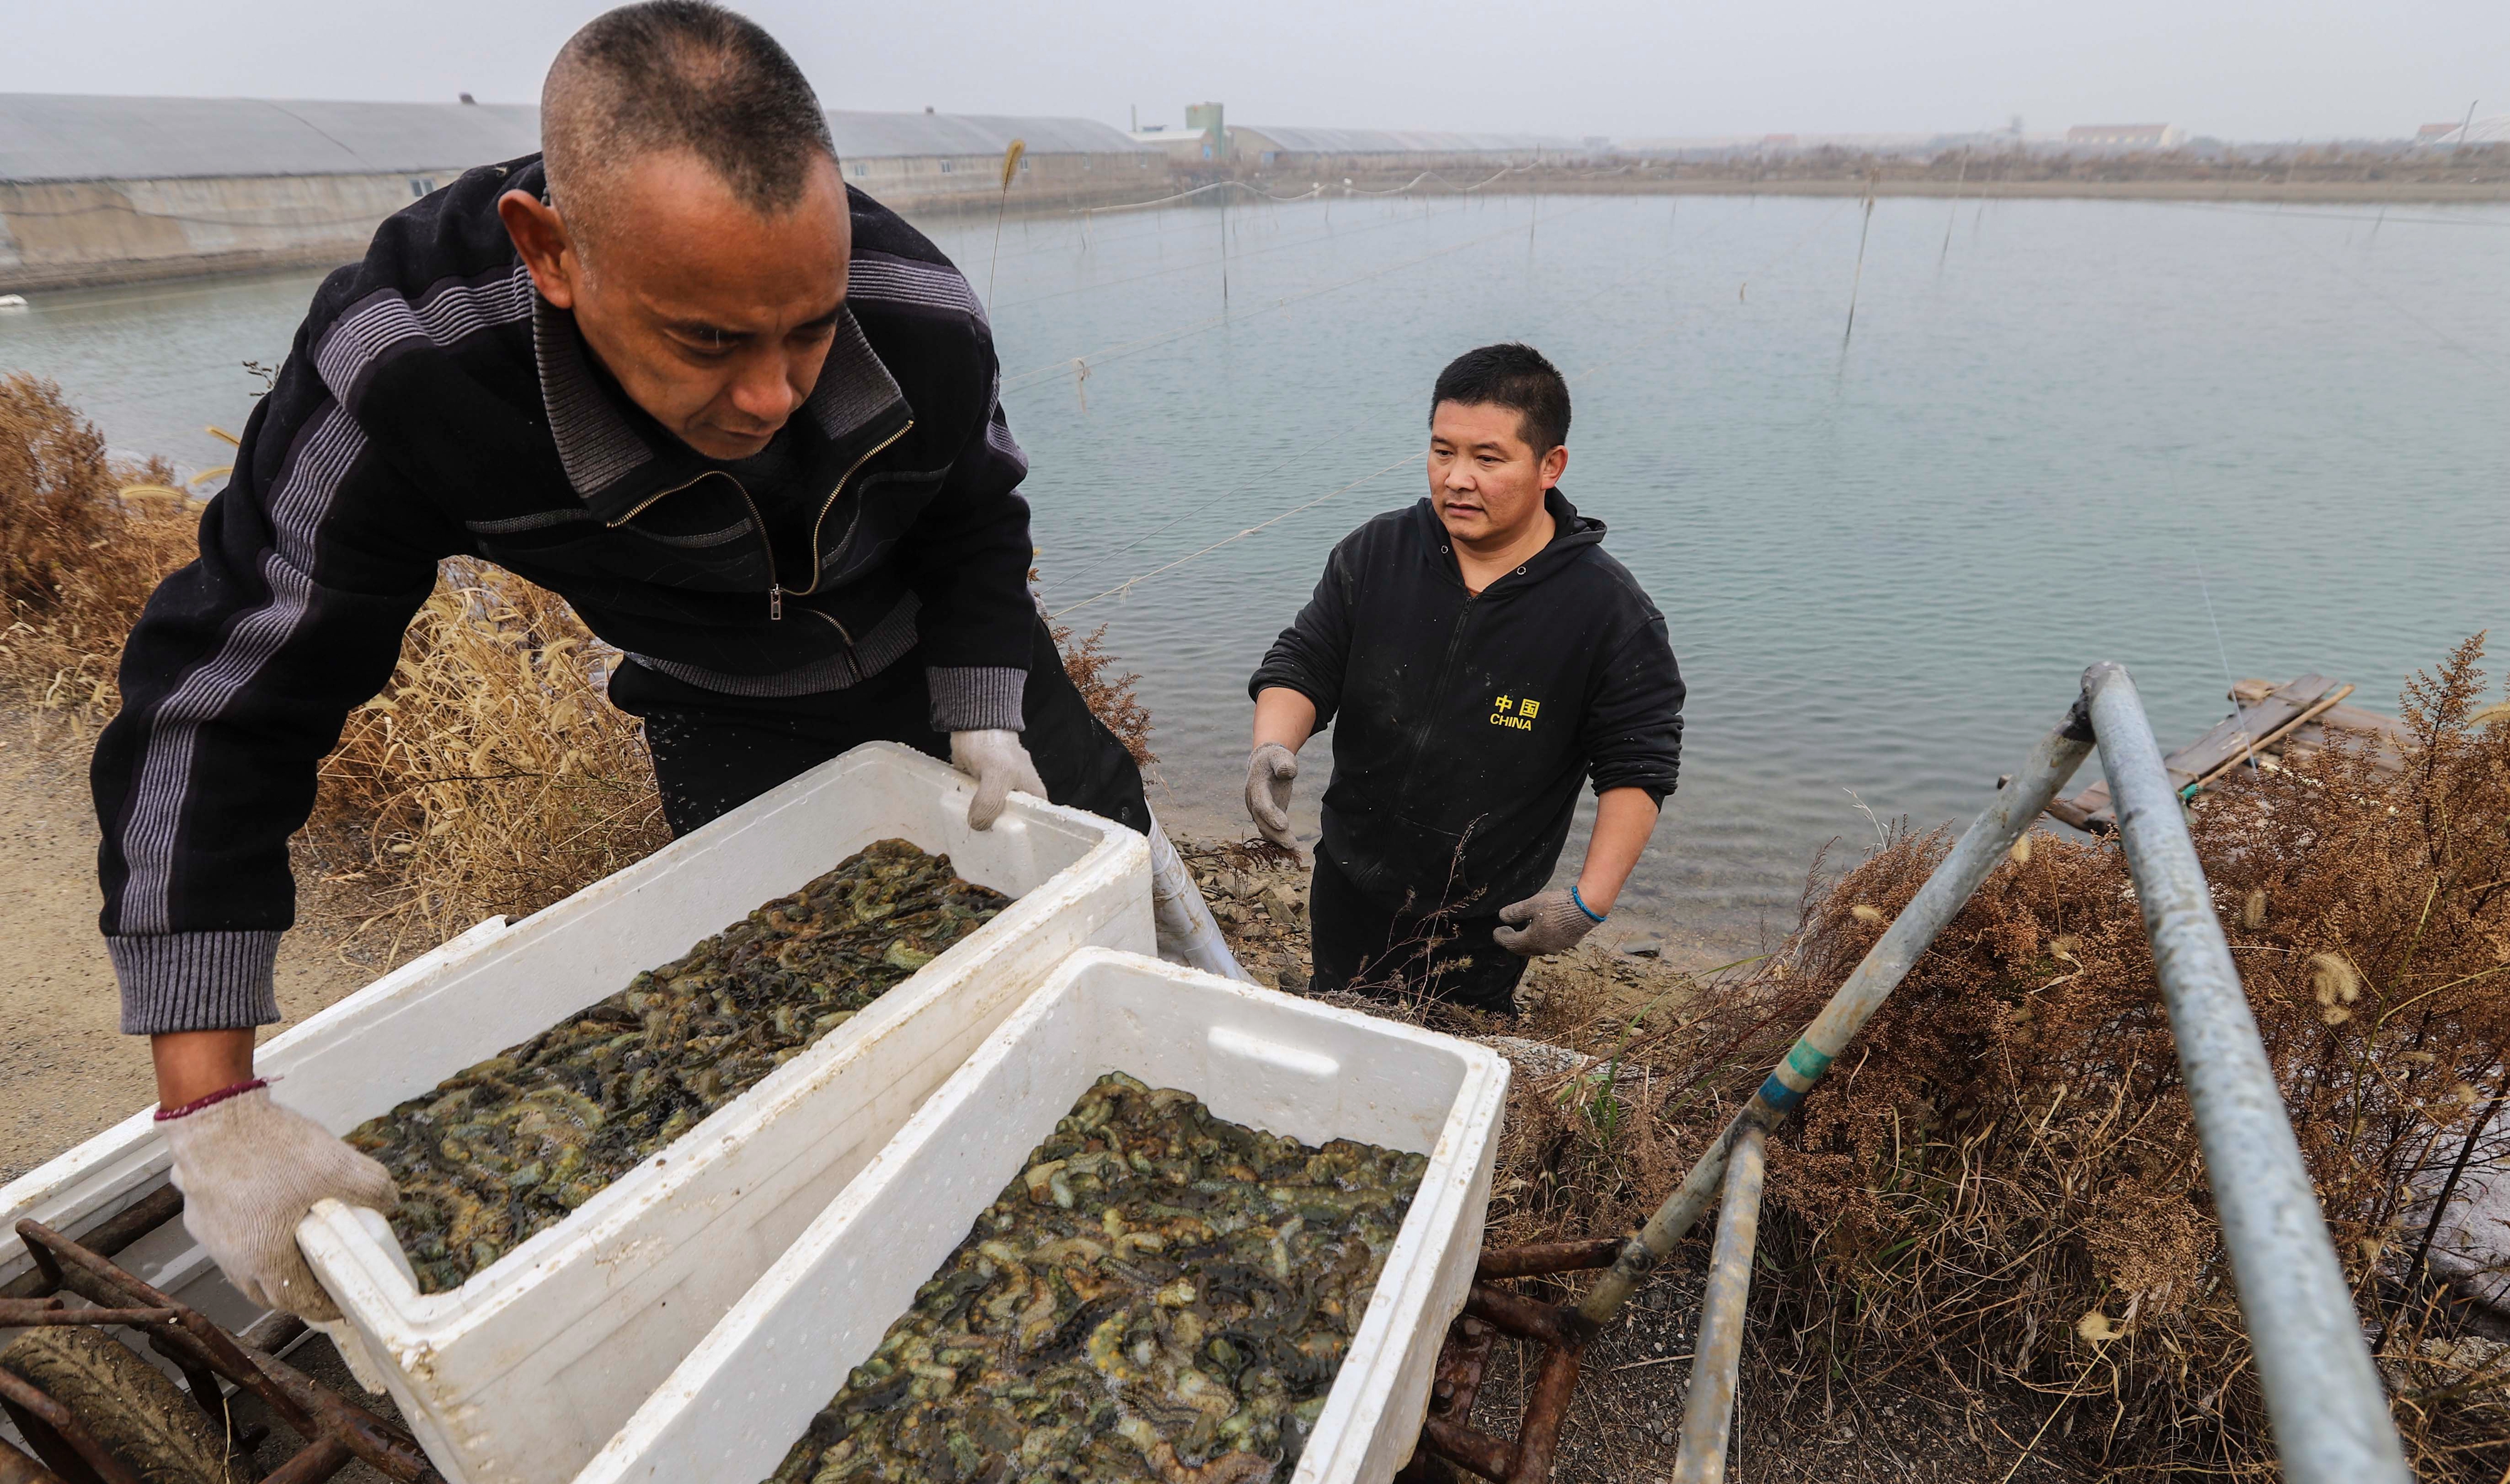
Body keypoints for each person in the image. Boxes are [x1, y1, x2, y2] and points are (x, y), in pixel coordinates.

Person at [88, 0, 1201, 1323]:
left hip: (962, 675)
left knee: (1125, 937)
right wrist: (210, 1099)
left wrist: (981, 706)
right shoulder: (409, 376)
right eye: (708, 340)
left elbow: (975, 516)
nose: (774, 395)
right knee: (828, 1034)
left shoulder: (918, 315)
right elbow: (228, 699)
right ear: (551, 251)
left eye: (808, 330)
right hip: (718, 699)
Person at [1244, 343, 1684, 1015]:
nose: (1456, 478)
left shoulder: (1610, 612)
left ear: (1550, 466)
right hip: (1347, 879)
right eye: (1441, 451)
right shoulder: (1378, 552)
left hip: (1483, 921)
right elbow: (1304, 661)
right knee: (1332, 1036)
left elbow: (1637, 766)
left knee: (1442, 1076)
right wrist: (1271, 748)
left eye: (1487, 458)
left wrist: (1586, 903)